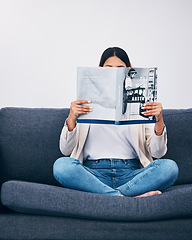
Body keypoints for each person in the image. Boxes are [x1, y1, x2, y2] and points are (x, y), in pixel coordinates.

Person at [53, 47, 179, 197]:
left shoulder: (141, 105)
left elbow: (157, 153)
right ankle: (124, 198)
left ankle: (110, 196)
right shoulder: (84, 103)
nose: (114, 73)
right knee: (61, 166)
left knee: (170, 167)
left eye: (120, 69)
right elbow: (65, 150)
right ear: (100, 71)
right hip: (92, 175)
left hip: (132, 175)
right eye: (109, 68)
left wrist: (159, 120)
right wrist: (71, 118)